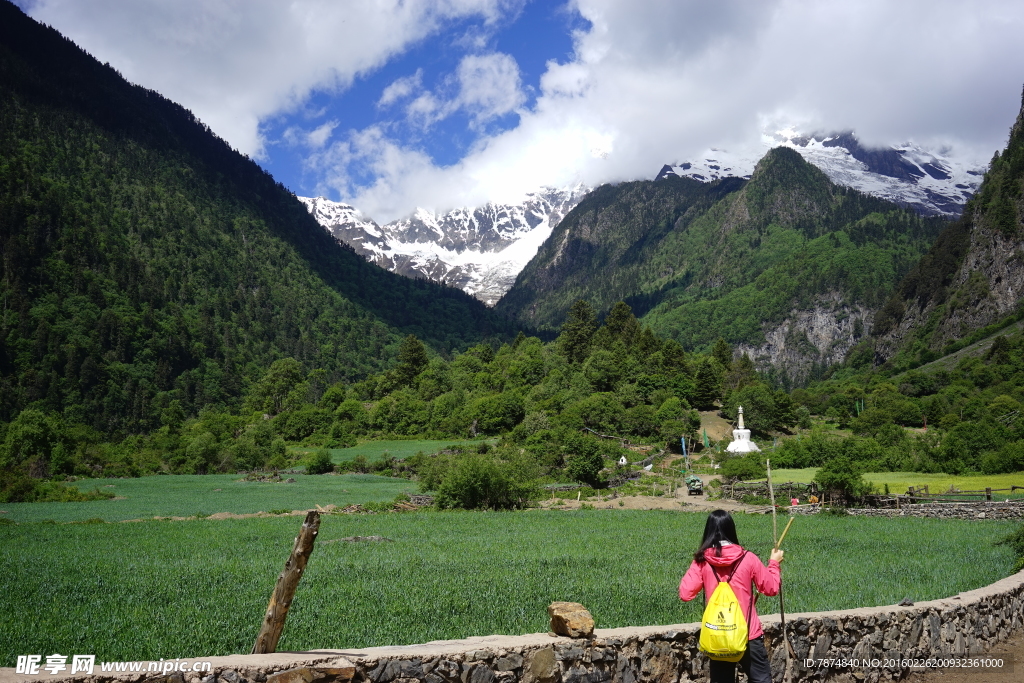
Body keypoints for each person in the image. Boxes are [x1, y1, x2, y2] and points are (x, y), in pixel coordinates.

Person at [679, 510, 784, 683]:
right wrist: (774, 563)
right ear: (731, 529)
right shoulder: (748, 558)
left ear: (708, 531)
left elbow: (685, 593)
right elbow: (771, 588)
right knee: (761, 680)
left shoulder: (702, 561)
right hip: (748, 633)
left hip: (718, 634)